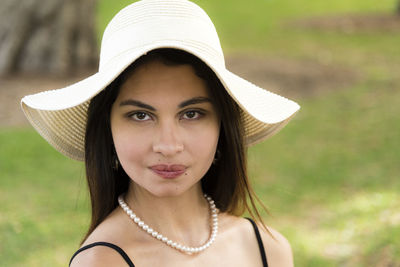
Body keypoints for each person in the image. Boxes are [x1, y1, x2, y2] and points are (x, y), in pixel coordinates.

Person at [21, 0, 300, 266]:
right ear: (107, 130)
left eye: (191, 114)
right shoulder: (101, 262)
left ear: (221, 127)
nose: (168, 146)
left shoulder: (267, 249)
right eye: (140, 115)